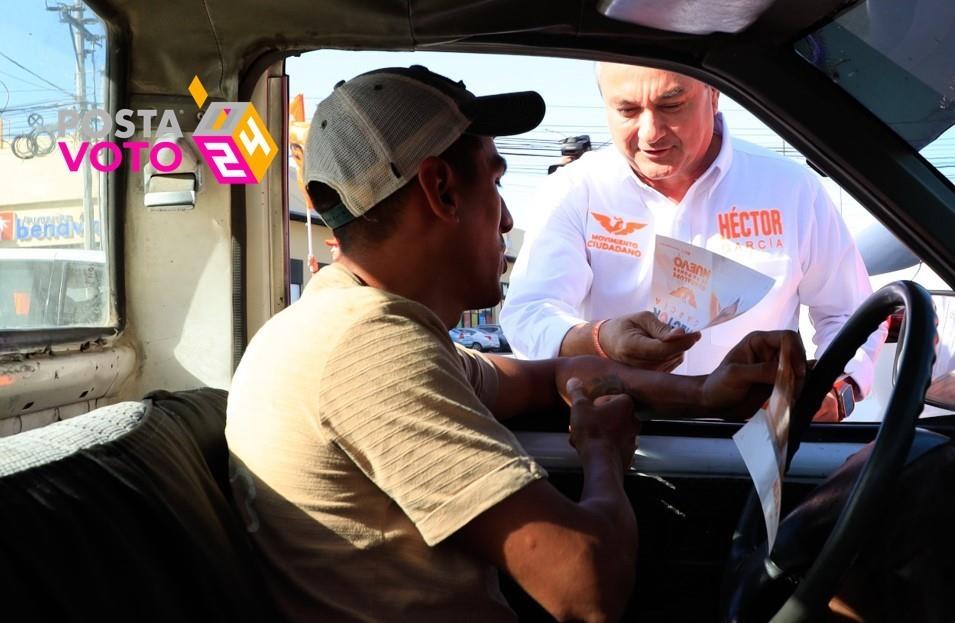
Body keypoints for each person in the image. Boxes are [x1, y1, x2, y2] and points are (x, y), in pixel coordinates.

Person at [225, 65, 806, 622]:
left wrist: (703, 392)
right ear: (442, 190)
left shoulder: (355, 322)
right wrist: (603, 454)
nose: (506, 220)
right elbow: (587, 589)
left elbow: (553, 374)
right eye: (496, 181)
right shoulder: (368, 350)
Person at [500, 62, 885, 422]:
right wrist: (600, 341)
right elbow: (529, 314)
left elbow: (848, 313)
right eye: (627, 111)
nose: (650, 133)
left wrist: (837, 389)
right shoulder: (575, 189)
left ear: (714, 94)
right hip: (616, 439)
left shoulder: (791, 188)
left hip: (754, 439)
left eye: (671, 105)